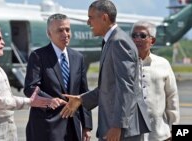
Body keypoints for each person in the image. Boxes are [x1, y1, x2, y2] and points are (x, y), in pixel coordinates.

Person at [60, 0, 151, 141]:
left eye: (91, 17)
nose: (88, 23)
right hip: (116, 125)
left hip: (123, 129)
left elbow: (126, 87)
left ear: (104, 17)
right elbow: (109, 86)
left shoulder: (118, 42)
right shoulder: (111, 41)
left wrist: (117, 126)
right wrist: (81, 99)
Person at [23, 13, 93, 141]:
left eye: (67, 29)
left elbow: (83, 93)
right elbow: (30, 88)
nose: (65, 34)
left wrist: (87, 127)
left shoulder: (78, 58)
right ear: (49, 34)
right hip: (47, 127)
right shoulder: (38, 56)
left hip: (73, 126)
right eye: (60, 30)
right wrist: (50, 100)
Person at [131, 21, 180, 141]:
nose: (137, 39)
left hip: (159, 135)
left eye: (142, 36)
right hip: (130, 135)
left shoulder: (163, 64)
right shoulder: (123, 64)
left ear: (152, 41)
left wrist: (175, 130)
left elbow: (172, 98)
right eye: (134, 35)